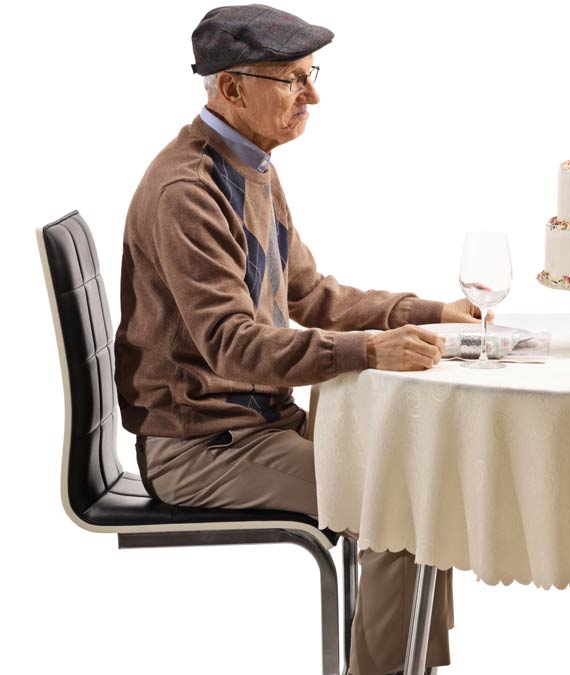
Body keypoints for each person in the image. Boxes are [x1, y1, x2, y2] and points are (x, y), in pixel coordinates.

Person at [113, 5, 474, 674]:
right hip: (200, 446)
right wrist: (368, 351)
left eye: (312, 75)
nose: (314, 96)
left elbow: (310, 295)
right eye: (293, 80)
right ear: (230, 88)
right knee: (397, 506)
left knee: (424, 480)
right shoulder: (187, 192)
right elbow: (233, 345)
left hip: (257, 425)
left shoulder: (251, 165)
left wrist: (428, 311)